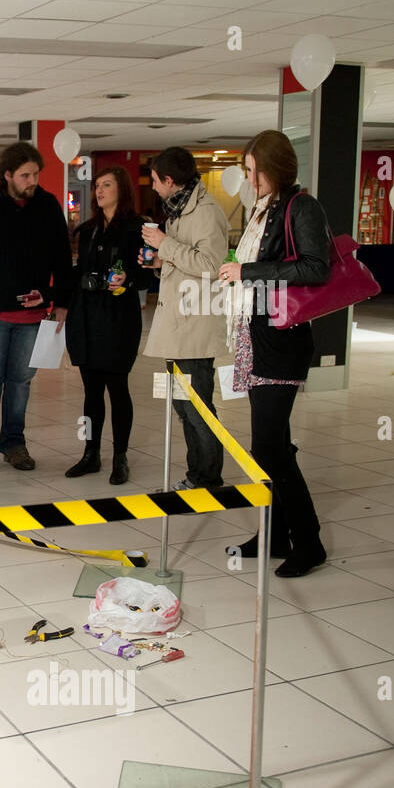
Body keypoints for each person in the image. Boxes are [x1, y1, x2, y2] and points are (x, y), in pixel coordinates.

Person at [217, 130, 330, 577]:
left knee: (270, 448)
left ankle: (310, 542)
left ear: (274, 167)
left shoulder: (302, 206)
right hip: (256, 337)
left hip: (282, 341)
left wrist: (247, 270)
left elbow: (315, 267)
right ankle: (276, 534)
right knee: (271, 445)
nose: (248, 178)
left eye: (252, 170)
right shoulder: (265, 208)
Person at [0, 142, 72, 476]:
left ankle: (14, 444)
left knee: (21, 383)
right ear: (7, 175)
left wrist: (58, 300)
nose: (32, 180)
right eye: (25, 175)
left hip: (33, 318)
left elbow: (62, 259)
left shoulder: (48, 206)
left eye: (35, 174)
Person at [139, 145, 230, 491]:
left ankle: (208, 477)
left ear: (169, 180)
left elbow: (210, 266)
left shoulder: (205, 212)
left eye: (155, 180)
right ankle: (197, 474)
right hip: (177, 324)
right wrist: (161, 260)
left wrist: (165, 245)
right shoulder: (179, 210)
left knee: (197, 407)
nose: (153, 186)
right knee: (183, 406)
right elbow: (187, 260)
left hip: (194, 325)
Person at [63, 166, 146, 485]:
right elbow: (80, 269)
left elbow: (148, 273)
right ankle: (90, 453)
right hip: (86, 315)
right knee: (90, 391)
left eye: (106, 185)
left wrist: (129, 279)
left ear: (121, 189)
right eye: (97, 186)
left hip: (118, 318)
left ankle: (120, 456)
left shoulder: (137, 228)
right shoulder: (88, 229)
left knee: (118, 388)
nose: (99, 191)